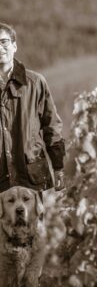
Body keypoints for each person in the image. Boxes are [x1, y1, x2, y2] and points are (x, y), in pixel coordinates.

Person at [0, 22, 65, 194]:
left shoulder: (35, 83)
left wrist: (58, 166)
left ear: (14, 46)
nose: (0, 47)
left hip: (30, 178)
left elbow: (52, 127)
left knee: (32, 221)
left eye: (4, 42)